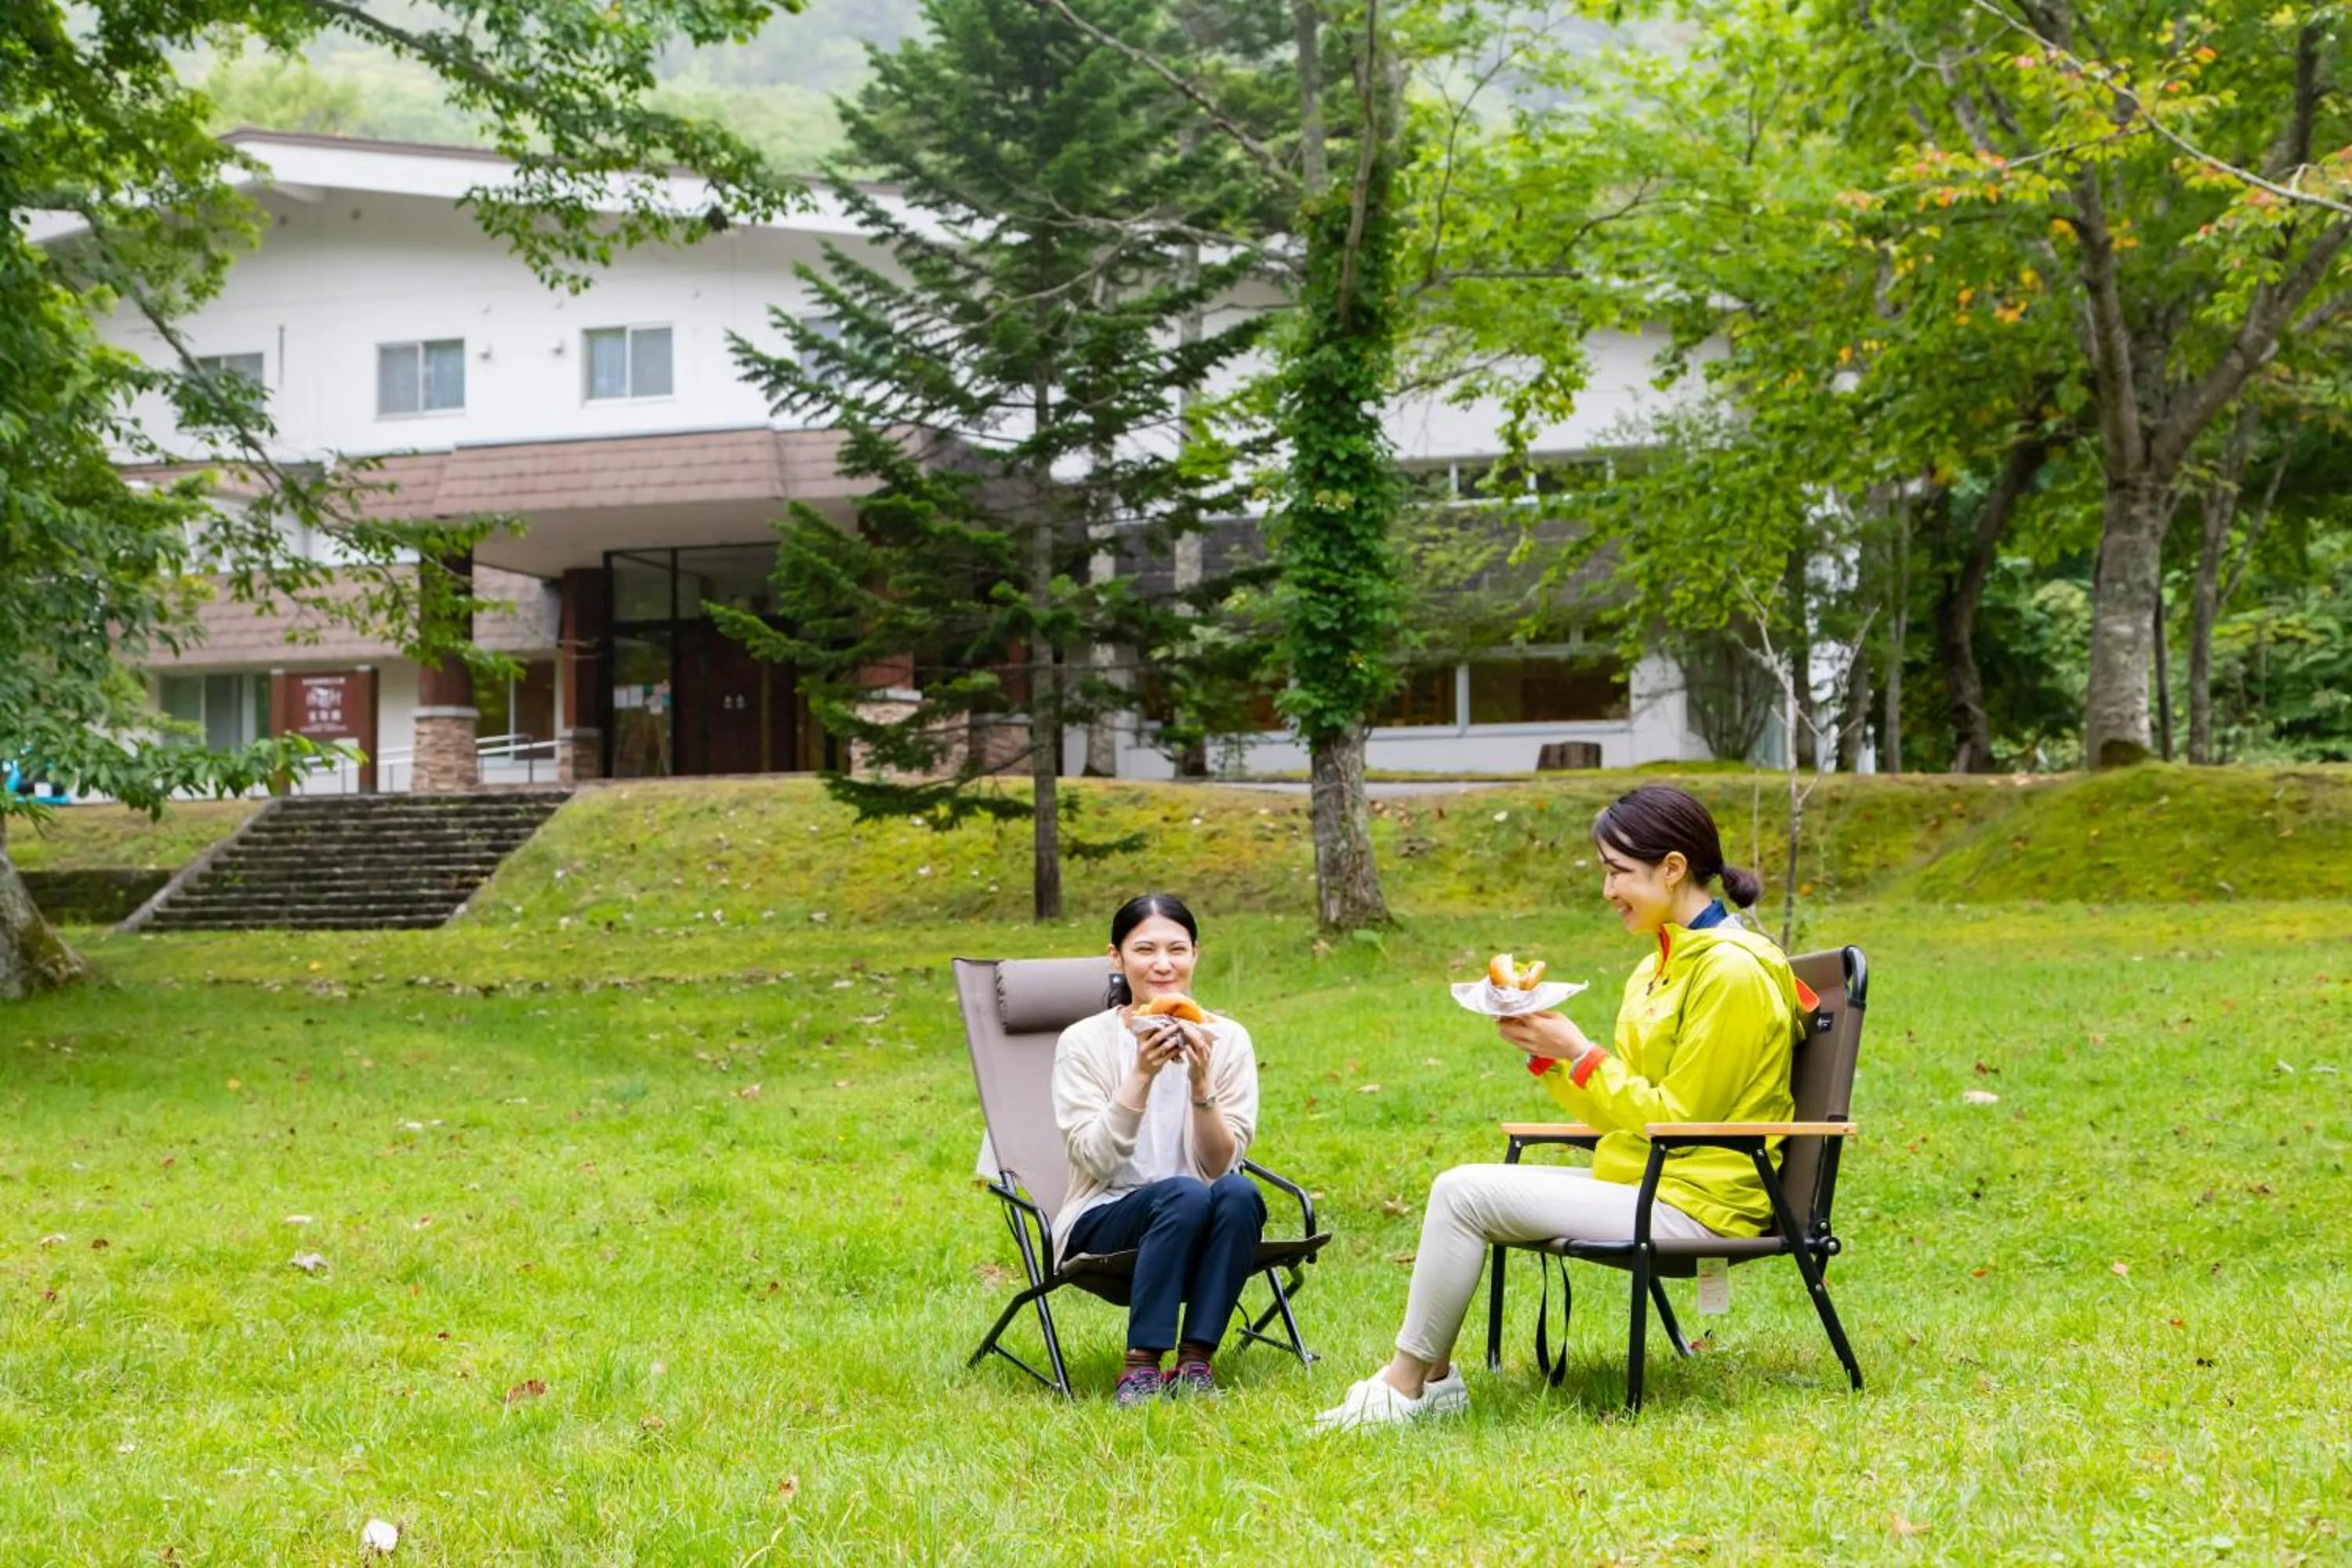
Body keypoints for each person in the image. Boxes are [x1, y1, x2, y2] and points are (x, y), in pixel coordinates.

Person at [1316, 785, 1813, 1430]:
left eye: (1617, 872)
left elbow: (1681, 1118)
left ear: (1672, 868)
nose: (1607, 890)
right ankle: (1427, 1381)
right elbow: (1623, 1110)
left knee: (1462, 1192)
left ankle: (1407, 1385)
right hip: (1646, 1179)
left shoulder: (1733, 973)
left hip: (1699, 1202)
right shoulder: (1658, 969)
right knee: (1464, 1190)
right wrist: (1550, 1053)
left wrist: (1580, 1053)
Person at [1053, 893, 1266, 1406]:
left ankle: (1195, 1364)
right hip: (1103, 1218)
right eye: (1145, 949)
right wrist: (1142, 1074)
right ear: (1116, 958)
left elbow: (1219, 1164)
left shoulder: (1228, 1039)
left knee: (1238, 1193)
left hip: (1203, 1217)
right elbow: (1095, 1160)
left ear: (1196, 954)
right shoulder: (1084, 1042)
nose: (1163, 964)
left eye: (1177, 949)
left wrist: (1200, 1084)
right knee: (1183, 1195)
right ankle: (1141, 1368)